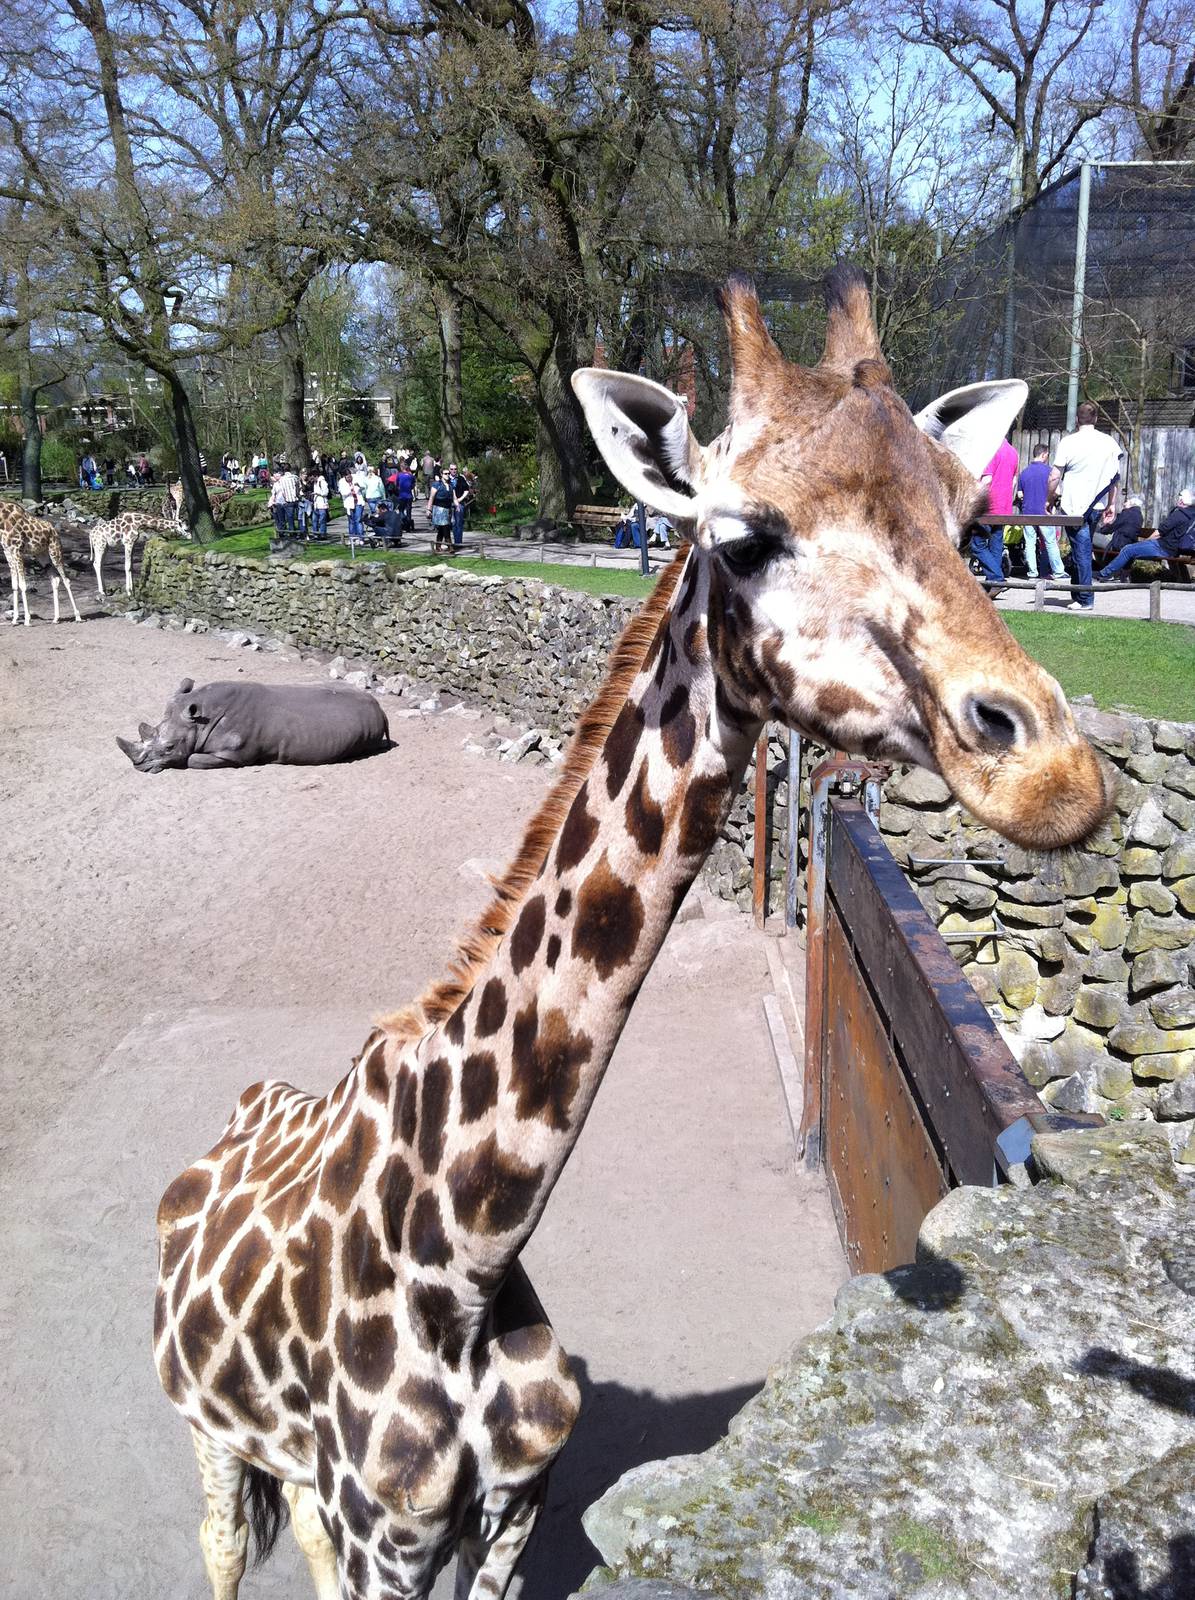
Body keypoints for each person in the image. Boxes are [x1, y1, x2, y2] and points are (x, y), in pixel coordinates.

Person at [1050, 402, 1122, 611]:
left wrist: (1049, 498)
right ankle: (1077, 594)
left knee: (1081, 551)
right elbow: (1114, 479)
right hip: (1097, 506)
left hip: (1074, 507)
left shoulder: (1069, 442)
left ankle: (1085, 599)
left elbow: (1055, 475)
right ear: (1096, 418)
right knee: (1079, 549)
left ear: (1076, 420)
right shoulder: (1109, 443)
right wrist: (1111, 504)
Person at [1100, 489, 1195, 580]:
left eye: (1179, 498)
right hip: (1173, 549)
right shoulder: (1191, 516)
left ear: (1182, 501)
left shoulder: (1178, 515)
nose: (1177, 500)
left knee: (1127, 549)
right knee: (1130, 549)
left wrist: (1145, 541)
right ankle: (1121, 575)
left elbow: (1159, 533)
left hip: (1162, 547)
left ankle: (1105, 574)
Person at [972, 437, 1018, 588]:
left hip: (988, 507)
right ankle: (994, 583)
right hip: (1004, 507)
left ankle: (996, 578)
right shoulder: (1013, 452)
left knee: (977, 544)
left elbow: (986, 480)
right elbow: (1014, 482)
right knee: (996, 544)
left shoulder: (990, 450)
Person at [1016, 442, 1065, 581]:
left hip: (1028, 512)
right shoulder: (1050, 472)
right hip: (1044, 513)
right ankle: (1058, 571)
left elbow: (1020, 494)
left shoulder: (1024, 473)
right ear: (1044, 454)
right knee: (1050, 542)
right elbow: (1057, 492)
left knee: (1030, 544)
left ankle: (1032, 573)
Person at [427, 472, 455, 552]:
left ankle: (438, 546)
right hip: (439, 509)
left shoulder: (450, 485)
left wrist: (457, 505)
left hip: (447, 509)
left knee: (442, 529)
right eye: (445, 473)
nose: (447, 475)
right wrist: (429, 509)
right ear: (441, 475)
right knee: (445, 527)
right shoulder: (436, 484)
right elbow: (431, 497)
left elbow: (454, 497)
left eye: (448, 473)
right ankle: (449, 545)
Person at [448, 463, 473, 547]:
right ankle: (450, 543)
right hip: (448, 504)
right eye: (451, 469)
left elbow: (466, 490)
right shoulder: (446, 479)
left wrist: (460, 499)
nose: (453, 471)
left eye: (455, 469)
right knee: (451, 523)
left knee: (458, 523)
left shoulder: (461, 478)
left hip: (460, 503)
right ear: (449, 469)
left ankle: (458, 542)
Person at [339, 467, 364, 544]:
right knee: (351, 521)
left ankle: (360, 538)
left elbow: (363, 486)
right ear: (344, 477)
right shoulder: (341, 482)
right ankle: (352, 537)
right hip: (349, 504)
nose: (349, 478)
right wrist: (351, 489)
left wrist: (358, 485)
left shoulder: (356, 478)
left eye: (350, 476)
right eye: (347, 477)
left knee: (358, 520)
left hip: (358, 502)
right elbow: (343, 492)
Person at [273, 462, 299, 532]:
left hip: (288, 501)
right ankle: (301, 532)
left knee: (290, 518)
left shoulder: (282, 480)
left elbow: (283, 491)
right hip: (296, 499)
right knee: (299, 517)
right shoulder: (295, 477)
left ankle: (292, 532)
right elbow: (298, 488)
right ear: (290, 469)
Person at [395, 460, 415, 532]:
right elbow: (413, 484)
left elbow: (396, 485)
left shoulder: (399, 475)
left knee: (401, 511)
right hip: (409, 495)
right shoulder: (410, 475)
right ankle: (408, 526)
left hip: (401, 496)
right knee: (409, 511)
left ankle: (403, 524)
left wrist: (398, 489)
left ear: (401, 467)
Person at [311, 467, 329, 539]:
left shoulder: (322, 482)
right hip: (316, 504)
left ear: (316, 476)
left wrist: (317, 493)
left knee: (322, 520)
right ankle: (315, 533)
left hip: (322, 504)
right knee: (314, 520)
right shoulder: (315, 483)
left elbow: (325, 492)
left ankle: (322, 534)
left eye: (313, 477)